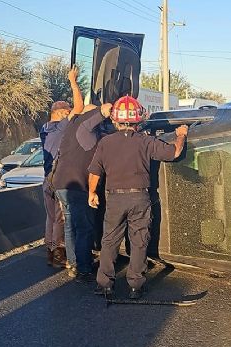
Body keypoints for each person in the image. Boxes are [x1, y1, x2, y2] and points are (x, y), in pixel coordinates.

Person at [88, 96, 188, 299]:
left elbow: (95, 171)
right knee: (139, 241)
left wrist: (91, 192)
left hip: (114, 199)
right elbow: (175, 153)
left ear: (115, 120)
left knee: (109, 241)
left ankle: (104, 285)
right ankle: (136, 286)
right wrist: (181, 134)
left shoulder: (105, 142)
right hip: (139, 198)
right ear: (138, 119)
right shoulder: (146, 141)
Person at [51, 103, 112, 282]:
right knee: (84, 228)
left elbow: (101, 139)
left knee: (71, 225)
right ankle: (83, 268)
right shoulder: (84, 123)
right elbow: (105, 109)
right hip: (77, 185)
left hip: (61, 184)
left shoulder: (74, 129)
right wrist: (113, 110)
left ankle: (73, 262)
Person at [38, 66, 84, 269]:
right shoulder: (61, 126)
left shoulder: (45, 128)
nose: (69, 114)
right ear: (60, 113)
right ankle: (59, 253)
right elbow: (79, 108)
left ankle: (49, 251)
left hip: (46, 178)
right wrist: (73, 82)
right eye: (66, 111)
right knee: (61, 218)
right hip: (57, 179)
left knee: (50, 217)